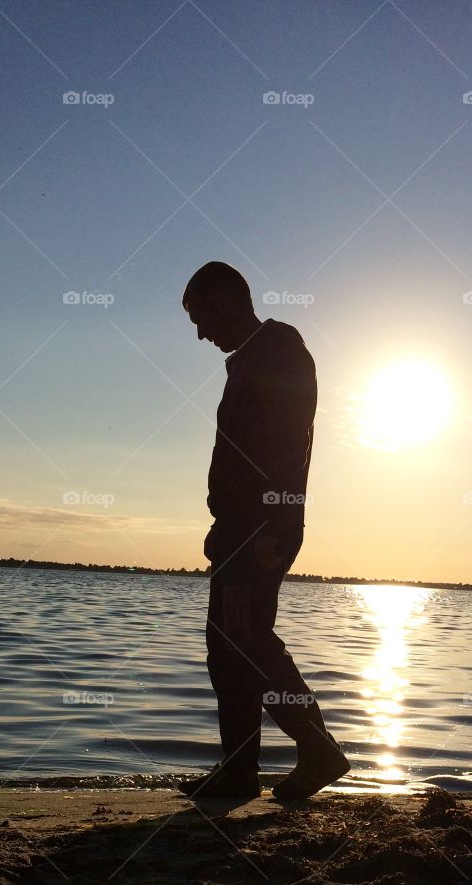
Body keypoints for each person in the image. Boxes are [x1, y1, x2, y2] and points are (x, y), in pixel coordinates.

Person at [177, 261, 350, 801]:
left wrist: (274, 524)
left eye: (201, 318)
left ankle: (315, 750)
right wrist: (224, 522)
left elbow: (290, 446)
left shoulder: (277, 351)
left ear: (226, 302)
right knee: (232, 644)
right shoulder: (253, 358)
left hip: (261, 527)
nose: (200, 333)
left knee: (245, 643)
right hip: (242, 526)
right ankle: (242, 768)